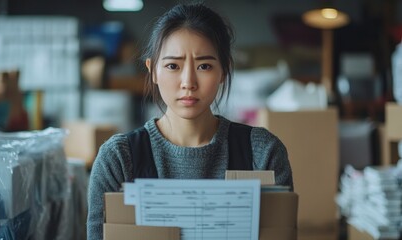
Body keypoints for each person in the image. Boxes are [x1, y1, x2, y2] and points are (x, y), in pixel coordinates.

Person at [87, 3, 293, 239]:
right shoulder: (118, 159)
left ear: (223, 71)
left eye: (204, 66)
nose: (188, 82)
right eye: (173, 66)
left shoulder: (263, 153)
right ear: (153, 69)